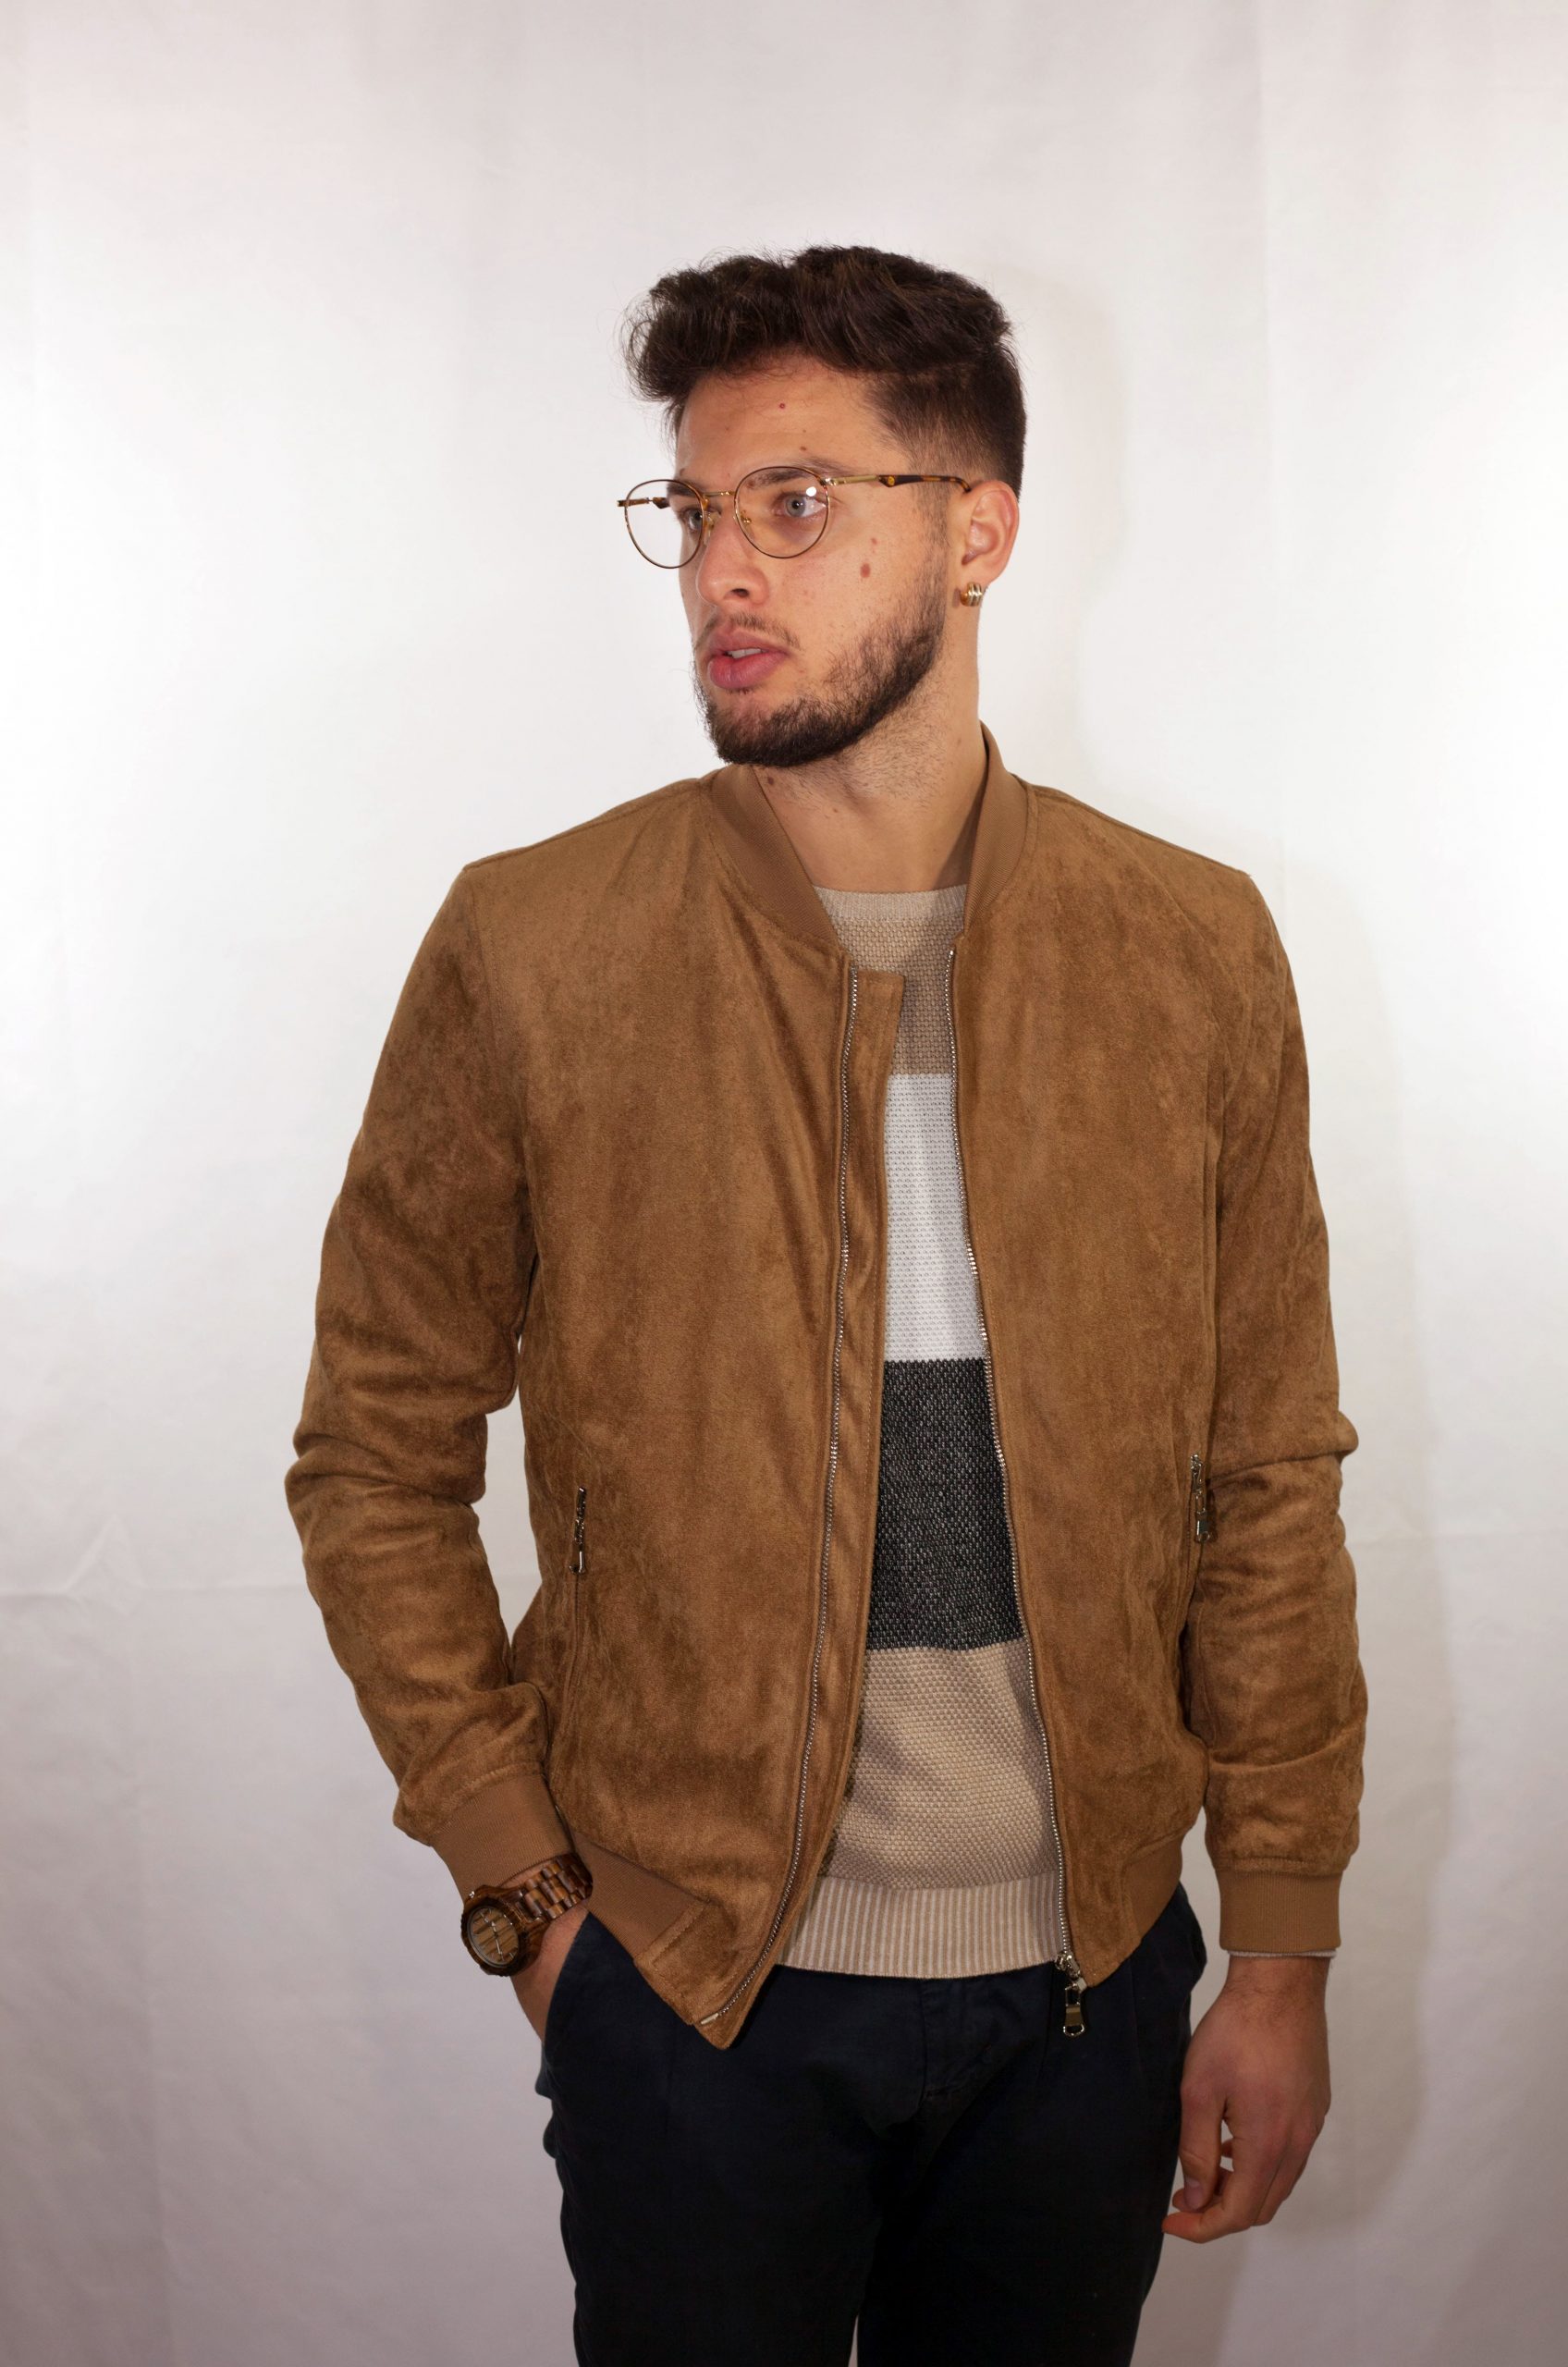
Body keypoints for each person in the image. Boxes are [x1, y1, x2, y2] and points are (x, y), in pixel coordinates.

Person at [285, 242, 1365, 2366]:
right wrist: (531, 1901)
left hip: (1087, 1986)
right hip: (690, 1996)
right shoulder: (540, 945)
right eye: (692, 511)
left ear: (976, 532)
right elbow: (371, 1458)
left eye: (794, 504)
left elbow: (1266, 1476)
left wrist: (1280, 1941)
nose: (721, 570)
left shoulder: (1188, 951)